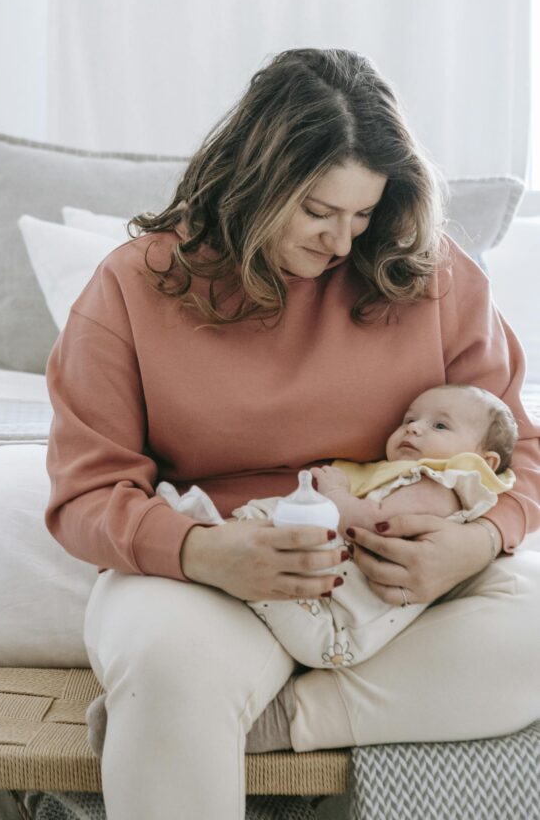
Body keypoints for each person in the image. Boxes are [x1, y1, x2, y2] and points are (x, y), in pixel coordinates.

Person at [45, 48, 540, 820]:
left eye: (363, 215)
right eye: (316, 211)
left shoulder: (430, 275)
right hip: (212, 571)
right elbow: (85, 494)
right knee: (169, 668)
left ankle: (271, 723)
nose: (341, 244)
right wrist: (202, 552)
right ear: (255, 178)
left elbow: (521, 450)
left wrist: (477, 544)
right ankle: (194, 706)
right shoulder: (133, 284)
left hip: (393, 590)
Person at [83, 382, 518, 752]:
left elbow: (379, 527)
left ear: (484, 460)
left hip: (345, 613)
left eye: (438, 426)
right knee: (181, 652)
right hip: (285, 569)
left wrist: (341, 498)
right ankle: (178, 710)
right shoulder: (396, 473)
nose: (414, 428)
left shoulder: (446, 483)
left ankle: (256, 720)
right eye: (409, 419)